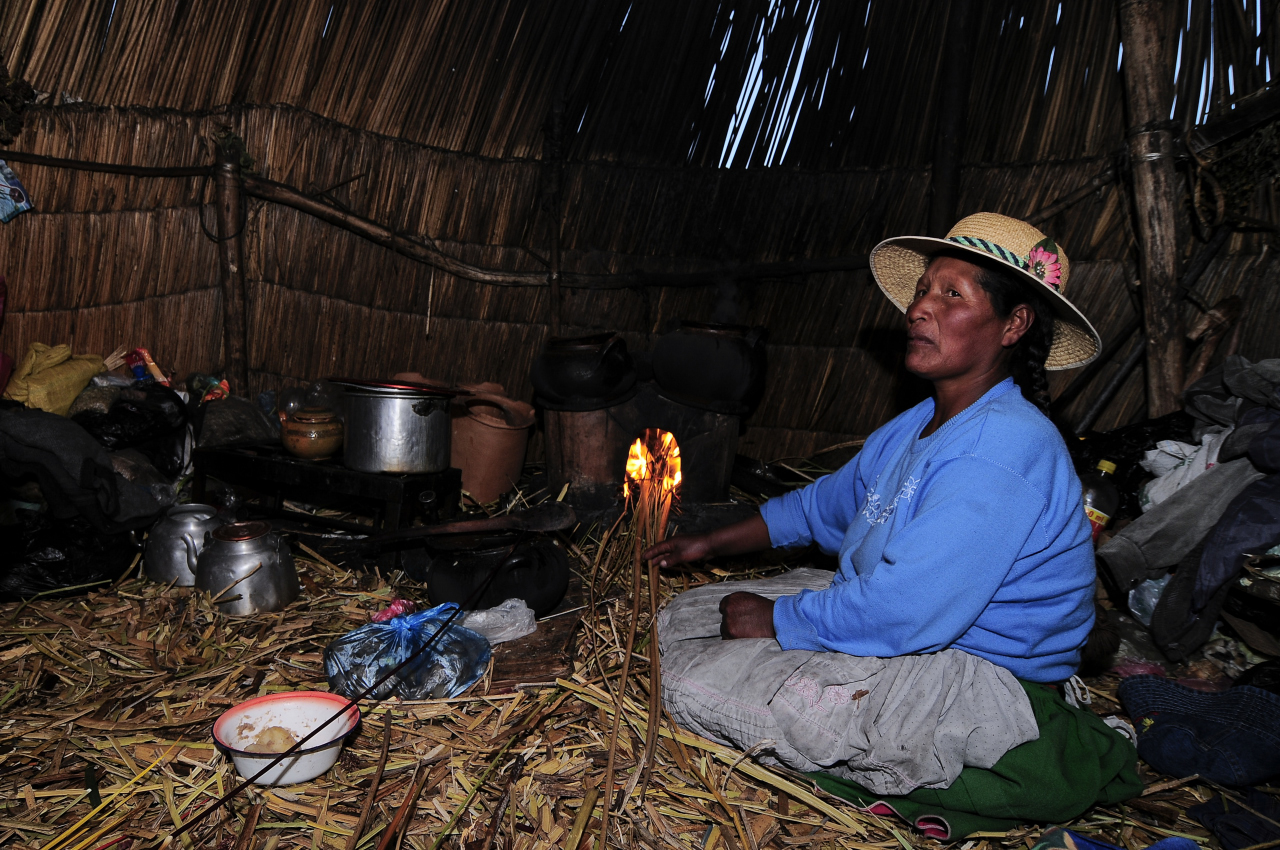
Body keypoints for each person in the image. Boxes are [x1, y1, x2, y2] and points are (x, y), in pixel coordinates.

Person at [643, 213, 1109, 796]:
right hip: (906, 616)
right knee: (681, 618)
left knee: (685, 682)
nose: (919, 308)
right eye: (923, 290)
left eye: (952, 295)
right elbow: (821, 507)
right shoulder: (921, 421)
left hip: (977, 675)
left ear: (1013, 324)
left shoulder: (1003, 447)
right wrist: (709, 542)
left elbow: (904, 609)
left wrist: (777, 620)